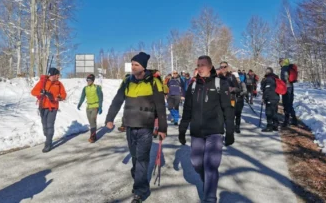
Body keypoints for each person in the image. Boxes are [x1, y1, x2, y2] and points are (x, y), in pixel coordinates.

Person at [105, 52, 167, 203]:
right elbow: (117, 100)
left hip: (146, 126)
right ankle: (139, 180)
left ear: (143, 67)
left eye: (136, 65)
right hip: (130, 126)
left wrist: (163, 128)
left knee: (141, 158)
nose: (133, 67)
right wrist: (110, 118)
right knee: (135, 157)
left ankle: (140, 192)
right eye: (132, 64)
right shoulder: (127, 81)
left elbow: (160, 106)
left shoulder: (154, 81)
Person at [179, 55, 235, 203]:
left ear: (210, 67)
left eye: (203, 65)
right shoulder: (192, 86)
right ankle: (209, 181)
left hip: (214, 132)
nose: (200, 68)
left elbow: (227, 109)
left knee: (211, 165)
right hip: (197, 132)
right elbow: (187, 110)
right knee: (197, 163)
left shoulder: (220, 84)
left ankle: (210, 198)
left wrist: (230, 131)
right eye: (198, 65)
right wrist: (182, 129)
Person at [31, 68, 67, 153]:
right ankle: (48, 137)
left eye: (59, 75)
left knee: (50, 125)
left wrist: (60, 98)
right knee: (44, 126)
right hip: (42, 106)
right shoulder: (43, 82)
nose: (58, 77)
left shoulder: (59, 84)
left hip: (53, 107)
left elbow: (64, 94)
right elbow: (33, 92)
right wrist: (40, 92)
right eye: (57, 75)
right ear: (53, 75)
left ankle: (48, 144)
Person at [218, 61, 246, 133]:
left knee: (234, 115)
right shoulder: (217, 77)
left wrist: (232, 89)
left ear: (227, 67)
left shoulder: (231, 77)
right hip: (220, 100)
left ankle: (234, 128)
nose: (223, 68)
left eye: (225, 67)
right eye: (221, 67)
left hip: (232, 100)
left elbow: (238, 89)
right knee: (220, 116)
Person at [77, 74, 103, 143]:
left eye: (90, 80)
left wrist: (100, 107)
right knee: (91, 122)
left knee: (92, 119)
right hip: (88, 107)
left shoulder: (97, 87)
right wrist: (79, 104)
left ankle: (92, 136)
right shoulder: (85, 88)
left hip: (95, 106)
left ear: (93, 80)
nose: (88, 81)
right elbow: (82, 97)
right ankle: (94, 134)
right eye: (87, 80)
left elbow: (100, 97)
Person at [279, 58, 298, 127]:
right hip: (291, 86)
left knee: (286, 104)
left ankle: (286, 121)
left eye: (280, 62)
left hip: (286, 87)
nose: (279, 63)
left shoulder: (284, 68)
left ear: (283, 62)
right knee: (289, 104)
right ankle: (294, 120)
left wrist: (283, 84)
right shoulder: (289, 67)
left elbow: (285, 77)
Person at [261, 67, 280, 132]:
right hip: (276, 98)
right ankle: (275, 125)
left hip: (270, 98)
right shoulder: (275, 78)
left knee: (268, 112)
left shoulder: (269, 79)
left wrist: (264, 98)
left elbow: (267, 89)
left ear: (268, 72)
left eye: (266, 71)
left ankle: (269, 127)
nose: (265, 72)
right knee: (274, 112)